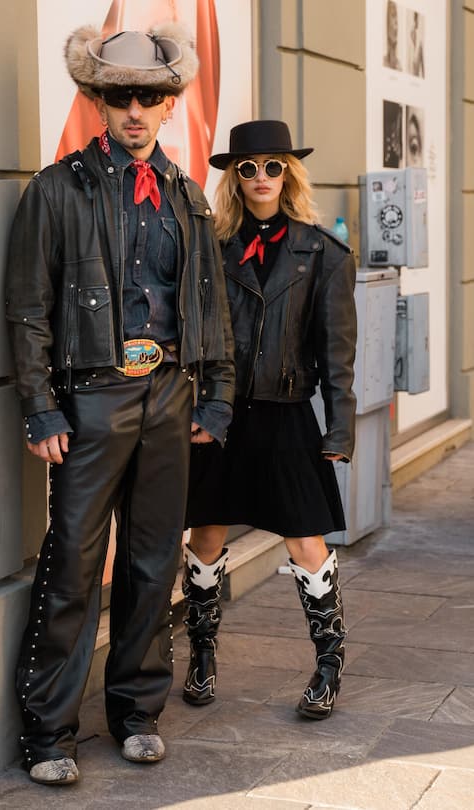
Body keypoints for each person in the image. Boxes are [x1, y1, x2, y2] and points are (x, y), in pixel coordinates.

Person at [5, 22, 234, 785]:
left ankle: (136, 714)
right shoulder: (55, 188)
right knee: (72, 560)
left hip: (169, 394)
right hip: (92, 398)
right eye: (118, 96)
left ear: (170, 105)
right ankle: (47, 733)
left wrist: (216, 398)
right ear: (98, 103)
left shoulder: (189, 198)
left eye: (150, 96)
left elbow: (211, 303)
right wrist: (40, 408)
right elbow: (29, 308)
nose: (135, 110)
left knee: (151, 559)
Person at [181, 120, 357, 721]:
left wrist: (340, 428)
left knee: (306, 542)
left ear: (289, 173)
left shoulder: (323, 254)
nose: (260, 177)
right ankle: (201, 656)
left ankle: (329, 664)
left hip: (286, 417)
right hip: (221, 416)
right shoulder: (210, 248)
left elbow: (337, 354)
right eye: (247, 168)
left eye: (272, 166)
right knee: (206, 534)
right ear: (234, 178)